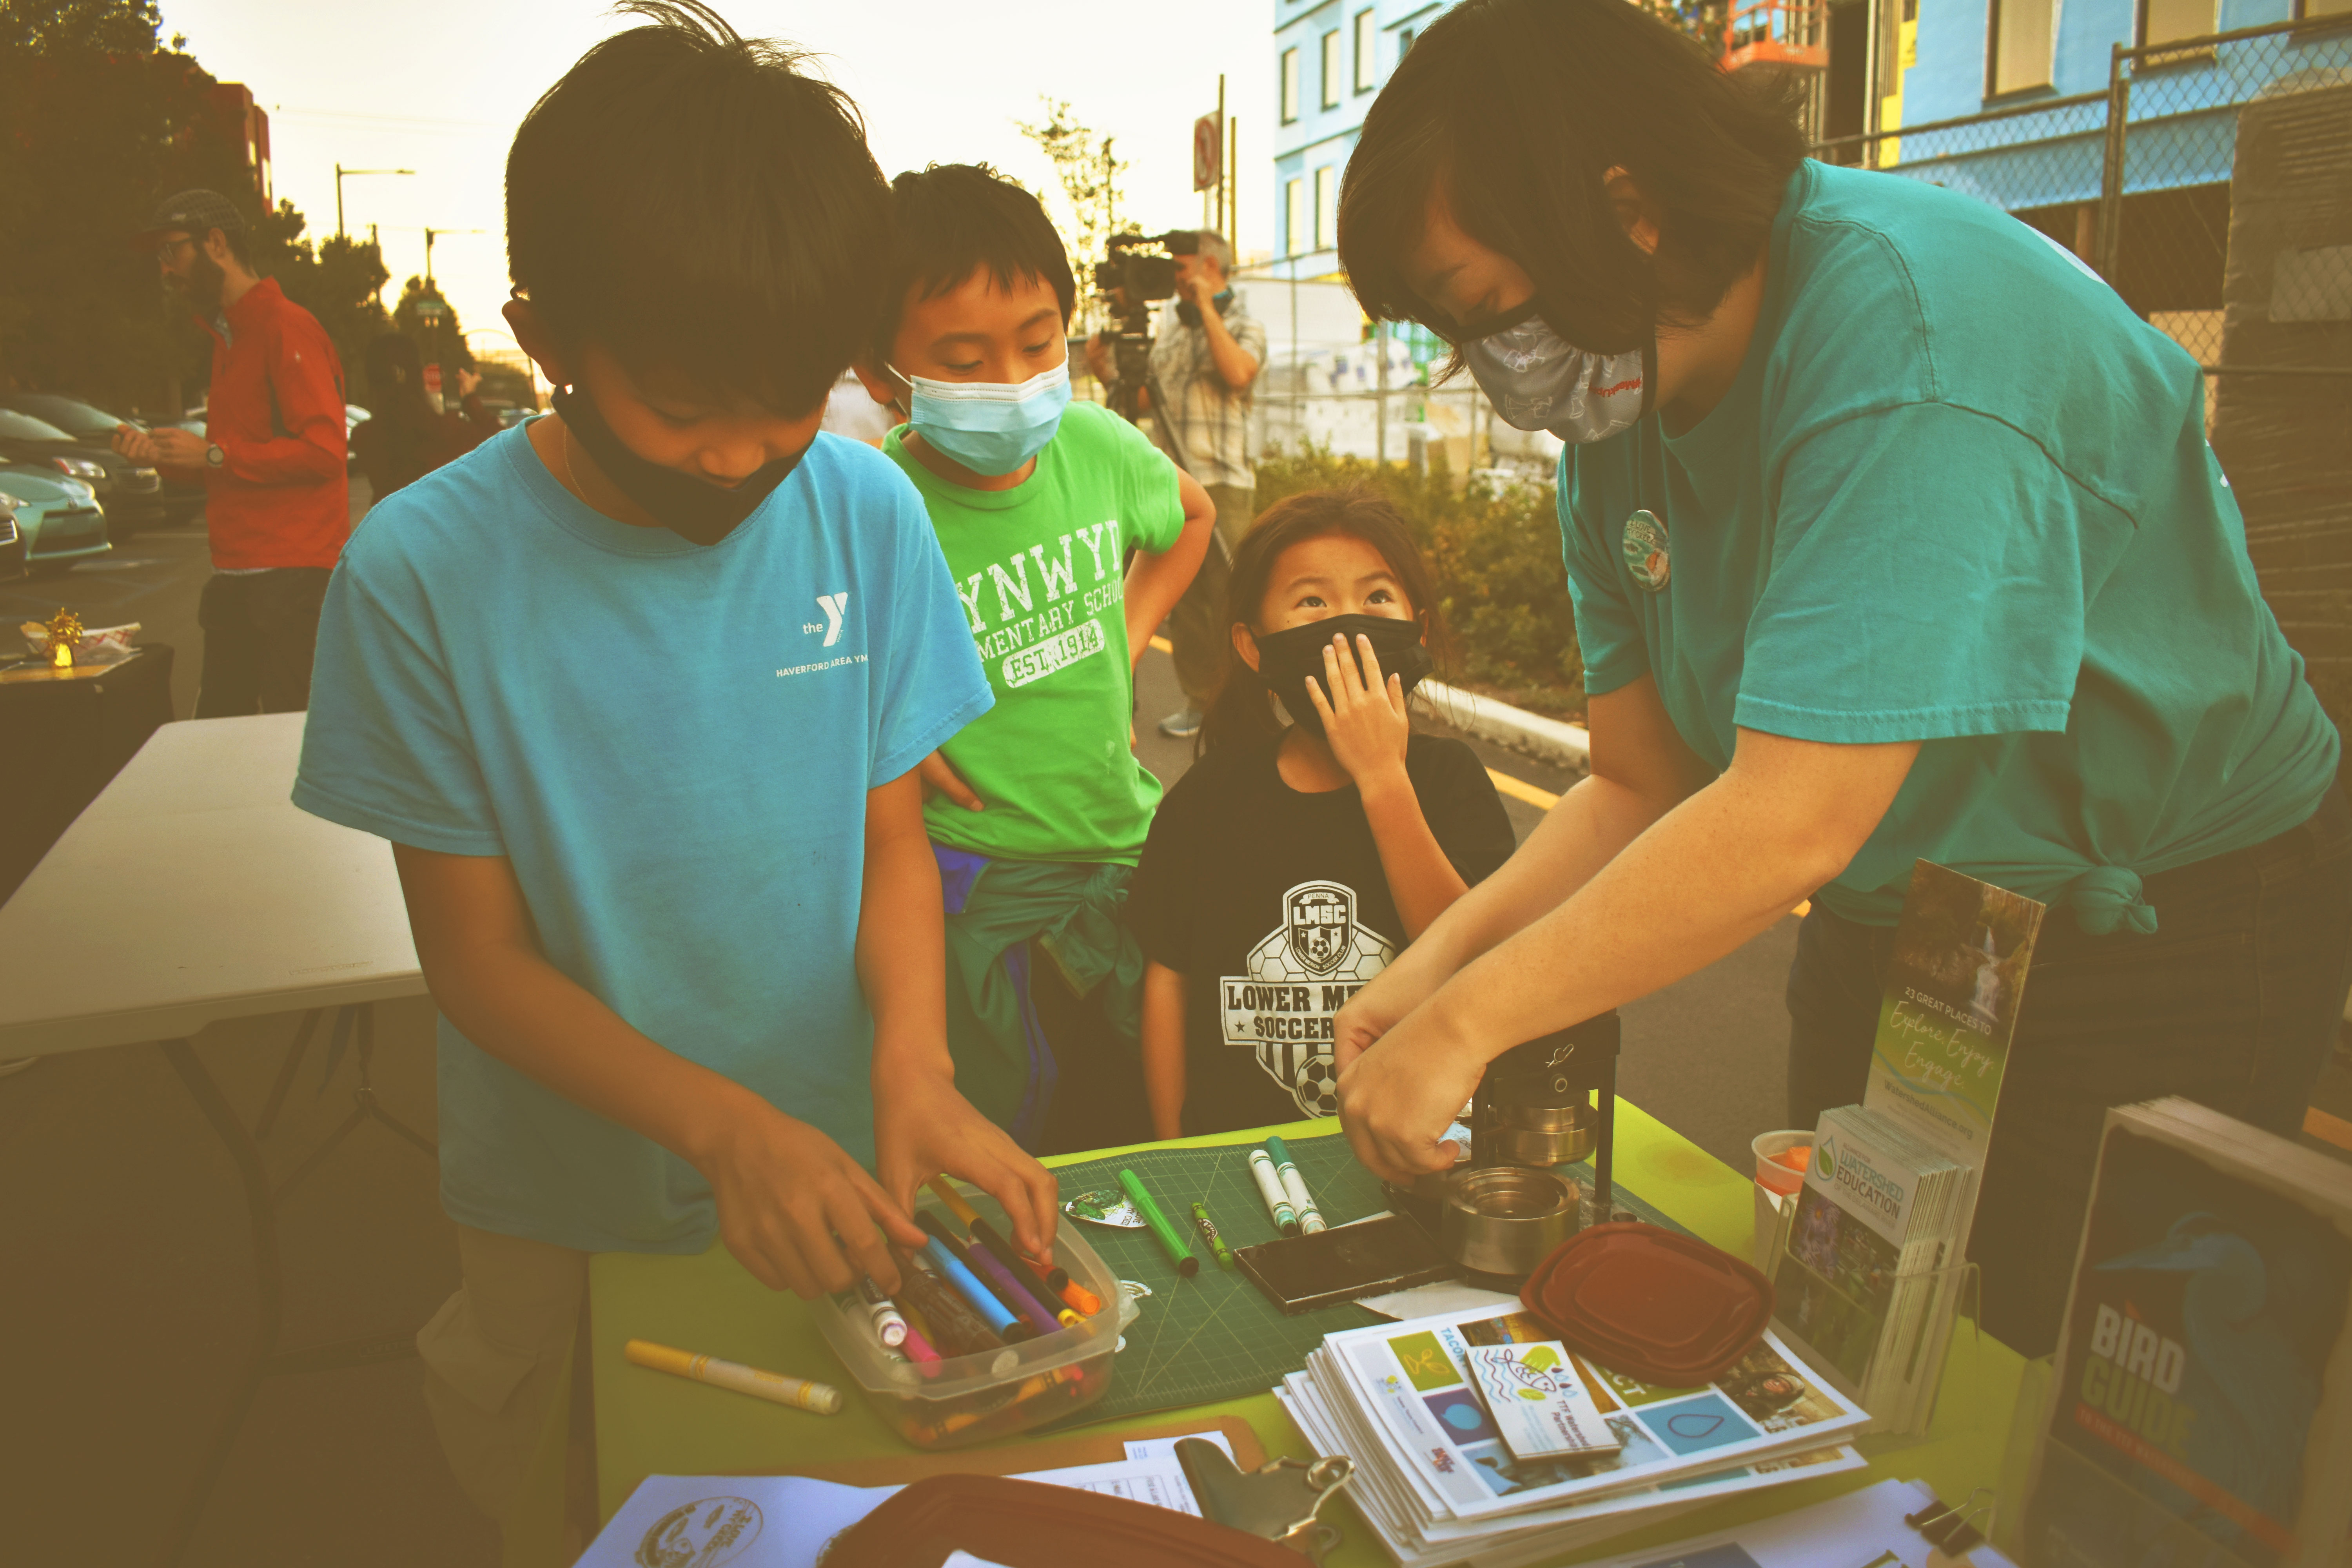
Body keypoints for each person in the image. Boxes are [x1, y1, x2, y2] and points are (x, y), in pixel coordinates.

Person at [1323, 0, 2348, 1359]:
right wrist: (1434, 969)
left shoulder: (1907, 335)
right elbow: (1639, 783)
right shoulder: (1619, 410)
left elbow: (1792, 815)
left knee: (2084, 1378)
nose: (1489, 370)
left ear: (1626, 210)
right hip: (1906, 914)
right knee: (1847, 1326)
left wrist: (1470, 1025)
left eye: (1488, 312)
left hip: (2161, 923)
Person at [289, 6, 1056, 1538]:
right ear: (548, 335)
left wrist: (914, 1059)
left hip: (842, 1153)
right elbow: (479, 964)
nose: (734, 457)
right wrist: (717, 1122)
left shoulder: (865, 516)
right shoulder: (421, 572)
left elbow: (891, 841)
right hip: (557, 1195)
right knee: (571, 1485)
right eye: (683, 408)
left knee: (834, 1493)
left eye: (781, 406)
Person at [854, 164, 1214, 1153]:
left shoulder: (1097, 446)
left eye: (1035, 343)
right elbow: (838, 656)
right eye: (962, 360)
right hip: (977, 876)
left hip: (1122, 847)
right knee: (1003, 1122)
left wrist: (1131, 629)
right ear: (885, 375)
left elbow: (1190, 516)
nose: (1010, 384)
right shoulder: (880, 504)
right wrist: (886, 727)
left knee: (1146, 1107)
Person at [1126, 488, 1514, 1137]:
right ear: (1254, 648)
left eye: (1376, 599)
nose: (1349, 626)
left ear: (1415, 632)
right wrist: (1173, 1144)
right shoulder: (1209, 797)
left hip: (1414, 1150)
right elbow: (1169, 978)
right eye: (1312, 603)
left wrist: (1383, 779)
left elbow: (1474, 964)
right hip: (1243, 1157)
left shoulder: (1450, 783)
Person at [114, 188, 350, 715]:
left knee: (292, 747)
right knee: (223, 745)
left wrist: (214, 456)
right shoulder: (228, 337)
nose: (167, 271)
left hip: (293, 581)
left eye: (172, 253)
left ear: (215, 243)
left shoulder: (285, 326)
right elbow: (233, 465)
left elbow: (326, 453)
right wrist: (162, 459)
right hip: (237, 581)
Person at [1087, 229, 1266, 740]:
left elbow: (1238, 372)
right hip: (1177, 483)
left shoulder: (1243, 324)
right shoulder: (1170, 333)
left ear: (1216, 268)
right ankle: (1198, 703)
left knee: (1230, 596)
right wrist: (1109, 376)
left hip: (1224, 479)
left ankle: (1243, 707)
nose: (1175, 280)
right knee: (1185, 603)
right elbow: (1144, 401)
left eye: (1184, 269)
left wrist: (1207, 308)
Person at [351, 333, 499, 505]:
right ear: (417, 376)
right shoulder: (447, 431)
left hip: (389, 528)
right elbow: (503, 445)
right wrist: (469, 398)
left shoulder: (363, 437)